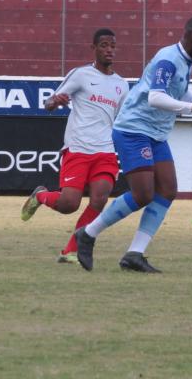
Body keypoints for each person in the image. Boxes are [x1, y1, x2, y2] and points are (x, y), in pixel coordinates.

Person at [73, 16, 192, 272]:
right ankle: (87, 233)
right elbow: (155, 97)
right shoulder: (169, 59)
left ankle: (134, 254)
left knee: (167, 190)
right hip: (133, 130)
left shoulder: (184, 61)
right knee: (143, 194)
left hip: (156, 134)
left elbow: (177, 91)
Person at [20, 28, 128, 263]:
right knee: (69, 204)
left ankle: (71, 250)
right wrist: (55, 101)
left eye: (112, 45)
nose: (109, 49)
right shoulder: (80, 75)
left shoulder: (122, 85)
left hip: (106, 151)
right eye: (104, 45)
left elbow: (119, 120)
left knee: (99, 200)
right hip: (78, 148)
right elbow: (48, 102)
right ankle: (40, 197)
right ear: (94, 48)